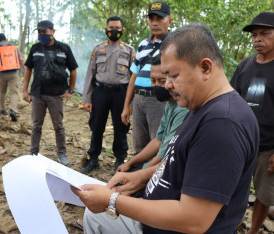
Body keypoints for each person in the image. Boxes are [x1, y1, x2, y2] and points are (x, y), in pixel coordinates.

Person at [72, 23, 259, 233]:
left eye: (173, 76)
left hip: (168, 228)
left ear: (205, 68)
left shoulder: (223, 124)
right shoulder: (201, 106)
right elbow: (176, 161)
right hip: (155, 217)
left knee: (97, 218)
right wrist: (140, 177)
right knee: (95, 217)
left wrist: (112, 201)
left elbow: (193, 220)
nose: (167, 85)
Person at [230, 12, 274, 234]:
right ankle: (230, 225)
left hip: (267, 146)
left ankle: (253, 231)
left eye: (264, 33)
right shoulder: (245, 65)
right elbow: (231, 98)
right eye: (255, 35)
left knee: (263, 194)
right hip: (240, 142)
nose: (258, 39)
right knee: (233, 186)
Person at [116, 54, 188, 181]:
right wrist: (129, 164)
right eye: (153, 81)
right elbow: (157, 141)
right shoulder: (169, 104)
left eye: (161, 81)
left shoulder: (182, 109)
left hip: (168, 171)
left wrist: (137, 177)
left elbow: (162, 156)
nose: (156, 86)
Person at [80, 16, 135, 174]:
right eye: (111, 28)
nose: (114, 31)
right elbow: (90, 74)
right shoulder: (98, 49)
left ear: (122, 30)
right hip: (100, 92)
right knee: (97, 126)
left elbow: (134, 78)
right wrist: (87, 99)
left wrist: (130, 103)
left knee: (121, 127)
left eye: (117, 28)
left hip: (121, 94)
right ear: (106, 29)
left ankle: (119, 159)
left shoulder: (129, 51)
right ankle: (93, 159)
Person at [23, 20, 78, 166]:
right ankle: (33, 153)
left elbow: (73, 69)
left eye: (45, 32)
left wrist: (70, 90)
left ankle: (62, 154)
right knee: (36, 125)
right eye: (40, 32)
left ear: (52, 32)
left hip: (56, 94)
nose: (42, 35)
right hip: (38, 93)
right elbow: (28, 68)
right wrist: (25, 90)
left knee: (58, 126)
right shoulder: (35, 48)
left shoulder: (64, 49)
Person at [121, 1, 173, 156]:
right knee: (139, 143)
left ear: (169, 21)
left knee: (158, 142)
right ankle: (138, 176)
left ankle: (153, 177)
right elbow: (134, 76)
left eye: (160, 18)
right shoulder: (143, 44)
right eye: (151, 19)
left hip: (158, 100)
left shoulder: (174, 43)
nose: (155, 23)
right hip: (138, 99)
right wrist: (127, 105)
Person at [0, 33, 25, 122]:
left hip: (2, 74)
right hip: (14, 73)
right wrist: (25, 70)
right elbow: (21, 59)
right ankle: (13, 109)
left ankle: (2, 109)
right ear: (6, 39)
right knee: (14, 93)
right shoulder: (13, 47)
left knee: (2, 91)